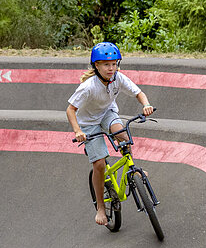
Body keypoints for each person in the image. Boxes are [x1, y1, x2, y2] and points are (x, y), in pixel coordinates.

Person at [66, 42, 155, 226]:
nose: (111, 68)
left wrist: (145, 105)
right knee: (99, 164)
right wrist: (78, 131)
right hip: (89, 123)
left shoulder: (118, 78)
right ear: (96, 66)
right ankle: (100, 207)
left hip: (107, 113)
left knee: (122, 135)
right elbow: (70, 110)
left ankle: (132, 168)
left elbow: (139, 93)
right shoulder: (88, 87)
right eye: (106, 64)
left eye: (114, 64)